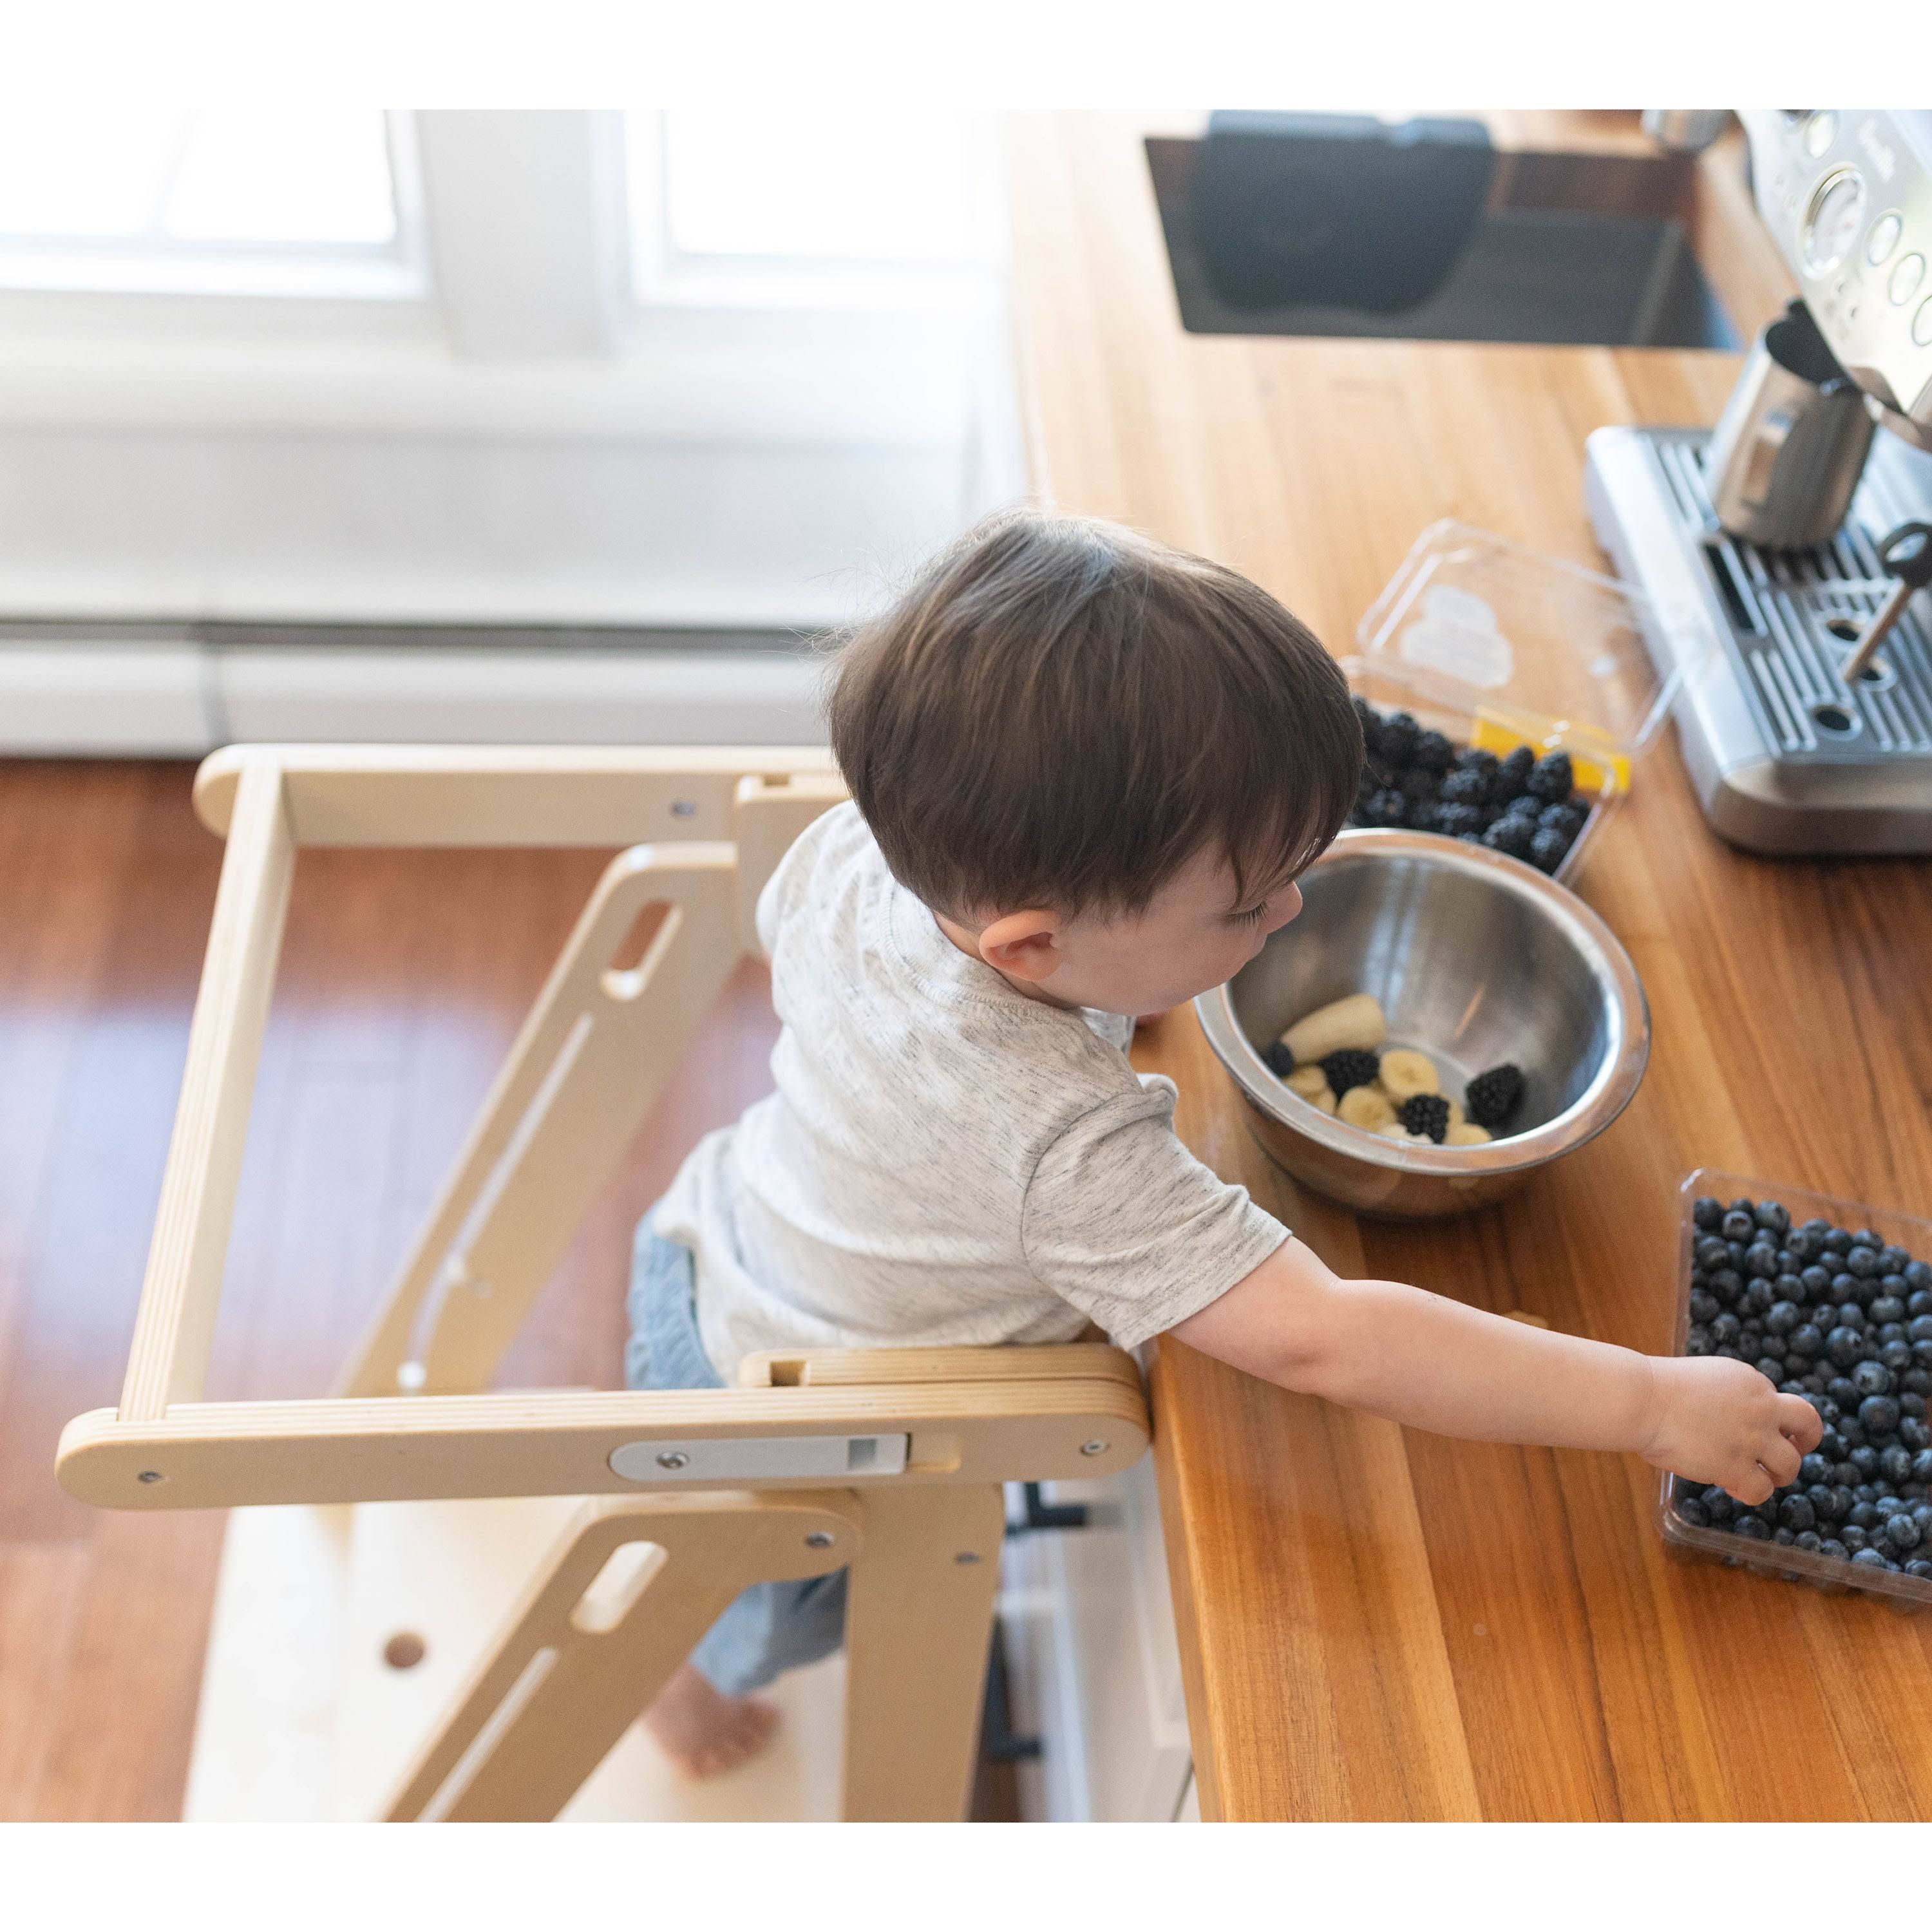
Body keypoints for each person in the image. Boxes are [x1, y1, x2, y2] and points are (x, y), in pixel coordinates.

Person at [627, 509, 1819, 1777]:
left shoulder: (868, 848)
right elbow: (1324, 1336)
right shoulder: (1063, 1144)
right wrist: (1645, 1402)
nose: (1295, 909)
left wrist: (1116, 978)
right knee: (756, 1620)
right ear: (1031, 946)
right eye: (1247, 905)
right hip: (804, 1432)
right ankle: (676, 1694)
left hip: (712, 1242)